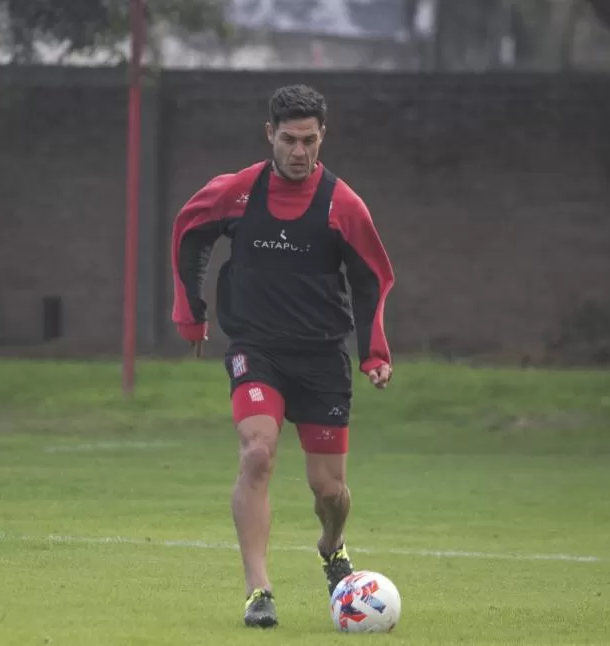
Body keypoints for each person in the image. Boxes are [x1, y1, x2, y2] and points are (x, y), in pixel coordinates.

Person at [170, 84, 395, 629]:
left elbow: (373, 280)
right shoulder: (238, 192)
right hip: (256, 349)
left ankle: (332, 546)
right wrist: (191, 311)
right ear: (270, 135)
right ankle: (258, 592)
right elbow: (189, 233)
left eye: (310, 140)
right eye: (290, 140)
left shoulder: (344, 204)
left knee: (330, 491)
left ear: (324, 138)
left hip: (321, 358)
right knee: (257, 454)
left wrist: (374, 353)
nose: (300, 151)